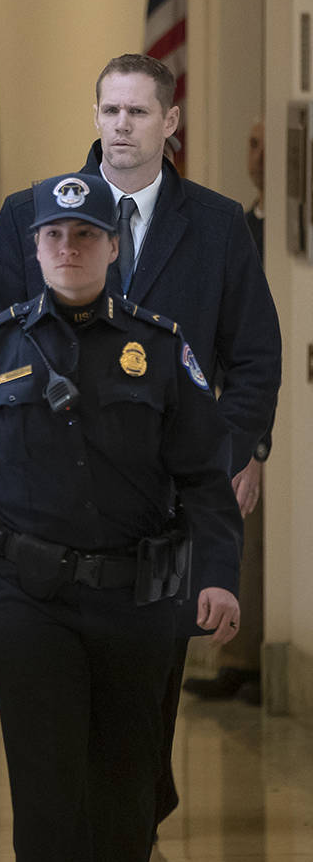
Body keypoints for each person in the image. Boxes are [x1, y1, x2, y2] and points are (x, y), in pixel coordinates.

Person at [0, 172, 243, 862]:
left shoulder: (159, 349)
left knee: (127, 794)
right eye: (55, 236)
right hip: (26, 599)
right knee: (48, 793)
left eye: (86, 235)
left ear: (113, 246)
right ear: (34, 248)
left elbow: (205, 479)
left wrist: (218, 575)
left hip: (138, 600)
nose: (70, 248)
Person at [0, 53, 281, 829]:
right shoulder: (28, 216)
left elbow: (253, 354)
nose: (120, 127)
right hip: (50, 501)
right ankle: (108, 813)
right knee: (67, 699)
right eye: (109, 110)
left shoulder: (216, 227)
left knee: (149, 685)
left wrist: (241, 451)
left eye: (138, 113)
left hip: (167, 500)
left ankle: (135, 796)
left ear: (169, 122)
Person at [183, 118, 270, 705]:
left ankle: (245, 650)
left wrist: (255, 446)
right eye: (251, 140)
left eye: (265, 143)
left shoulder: (243, 229)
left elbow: (255, 346)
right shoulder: (235, 224)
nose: (256, 153)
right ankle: (232, 653)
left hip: (251, 412)